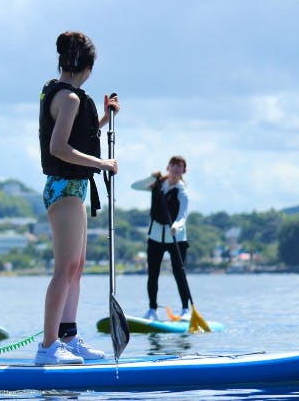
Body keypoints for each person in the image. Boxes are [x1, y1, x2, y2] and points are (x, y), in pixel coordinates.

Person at [36, 31, 120, 365]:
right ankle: (47, 347)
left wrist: (103, 116)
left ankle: (68, 337)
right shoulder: (68, 98)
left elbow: (78, 138)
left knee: (77, 268)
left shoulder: (63, 94)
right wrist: (102, 163)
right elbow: (59, 148)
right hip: (63, 188)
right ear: (87, 66)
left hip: (75, 189)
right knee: (64, 269)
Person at [134, 156, 190, 322]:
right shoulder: (156, 185)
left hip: (176, 238)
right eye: (173, 165)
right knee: (153, 274)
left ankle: (186, 309)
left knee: (179, 274)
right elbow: (135, 186)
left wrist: (176, 226)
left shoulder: (182, 191)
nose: (175, 169)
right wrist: (152, 177)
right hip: (155, 237)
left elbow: (183, 215)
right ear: (168, 167)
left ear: (183, 171)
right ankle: (152, 310)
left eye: (179, 167)